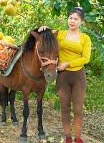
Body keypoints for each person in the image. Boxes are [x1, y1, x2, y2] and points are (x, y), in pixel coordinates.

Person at [38, 7, 92, 143]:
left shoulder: (85, 38)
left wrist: (67, 64)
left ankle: (78, 138)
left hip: (78, 76)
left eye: (76, 19)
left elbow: (86, 58)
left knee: (78, 109)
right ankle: (68, 137)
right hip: (63, 77)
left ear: (81, 22)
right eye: (70, 18)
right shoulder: (60, 34)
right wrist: (45, 28)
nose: (72, 21)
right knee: (65, 108)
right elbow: (47, 38)